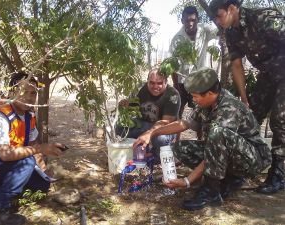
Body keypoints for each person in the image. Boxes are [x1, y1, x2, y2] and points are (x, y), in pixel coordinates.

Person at [134, 68, 271, 210]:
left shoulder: (229, 108)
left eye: (196, 96)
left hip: (253, 158)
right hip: (230, 154)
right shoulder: (207, 103)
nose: (193, 100)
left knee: (217, 133)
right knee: (181, 148)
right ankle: (230, 178)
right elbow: (184, 124)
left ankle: (211, 191)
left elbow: (216, 148)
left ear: (210, 93)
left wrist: (187, 181)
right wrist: (151, 133)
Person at [209, 0, 285, 194]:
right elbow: (236, 65)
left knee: (280, 120)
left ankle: (278, 174)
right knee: (250, 116)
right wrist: (244, 99)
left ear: (232, 8)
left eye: (219, 15)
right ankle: (241, 169)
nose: (217, 21)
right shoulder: (232, 33)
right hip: (268, 74)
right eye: (214, 18)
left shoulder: (262, 18)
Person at [0, 72, 65, 224]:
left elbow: (34, 144)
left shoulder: (28, 116)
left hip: (3, 167)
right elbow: (5, 155)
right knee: (27, 161)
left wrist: (44, 171)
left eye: (33, 93)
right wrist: (40, 148)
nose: (29, 97)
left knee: (42, 185)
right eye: (23, 92)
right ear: (11, 92)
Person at [117, 68, 181, 159]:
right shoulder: (141, 88)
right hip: (144, 124)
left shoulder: (173, 95)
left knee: (160, 139)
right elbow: (133, 106)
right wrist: (125, 105)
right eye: (152, 83)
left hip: (165, 129)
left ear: (166, 82)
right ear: (147, 81)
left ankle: (156, 156)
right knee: (119, 127)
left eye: (159, 83)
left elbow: (165, 122)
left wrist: (149, 134)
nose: (155, 86)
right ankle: (137, 150)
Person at [169, 5, 218, 117]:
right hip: (183, 83)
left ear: (198, 20)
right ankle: (176, 135)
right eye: (187, 20)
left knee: (201, 113)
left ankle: (200, 135)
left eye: (193, 20)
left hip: (200, 82)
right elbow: (172, 65)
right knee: (178, 112)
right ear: (182, 21)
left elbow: (219, 31)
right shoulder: (177, 39)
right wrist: (176, 87)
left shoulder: (205, 30)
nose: (190, 23)